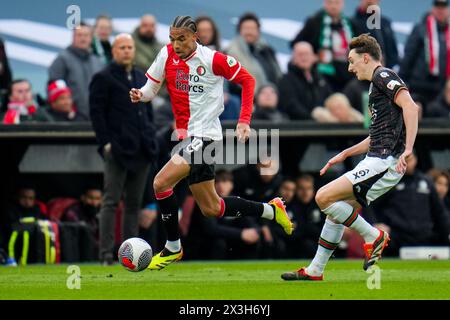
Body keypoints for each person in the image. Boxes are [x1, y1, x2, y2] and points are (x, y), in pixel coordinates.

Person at [130, 16, 293, 270]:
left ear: (195, 37)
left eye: (181, 39)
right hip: (186, 137)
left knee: (161, 183)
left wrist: (244, 121)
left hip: (205, 136)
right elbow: (152, 88)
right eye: (172, 38)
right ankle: (271, 211)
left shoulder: (213, 59)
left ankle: (173, 247)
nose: (175, 44)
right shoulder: (166, 54)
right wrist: (141, 94)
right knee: (212, 208)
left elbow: (248, 80)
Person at [282, 34, 419, 281]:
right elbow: (377, 136)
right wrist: (344, 154)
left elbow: (411, 107)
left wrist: (408, 149)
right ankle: (315, 270)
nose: (349, 67)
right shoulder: (375, 85)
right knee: (337, 211)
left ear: (366, 57)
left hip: (385, 162)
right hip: (378, 159)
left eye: (352, 60)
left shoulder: (383, 76)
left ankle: (373, 235)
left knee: (322, 197)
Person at [90, 34, 159, 265]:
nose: (127, 51)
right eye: (122, 47)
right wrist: (105, 144)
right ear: (114, 51)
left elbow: (147, 110)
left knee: (133, 203)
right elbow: (97, 114)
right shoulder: (103, 78)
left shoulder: (140, 76)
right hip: (117, 149)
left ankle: (131, 252)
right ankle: (106, 253)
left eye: (130, 47)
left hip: (142, 147)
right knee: (110, 201)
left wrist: (150, 136)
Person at [371, 153, 450, 255]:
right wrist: (374, 224)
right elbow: (371, 203)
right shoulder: (389, 181)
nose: (407, 163)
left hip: (423, 237)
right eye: (404, 160)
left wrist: (447, 232)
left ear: (415, 160)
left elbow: (440, 212)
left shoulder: (426, 182)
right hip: (396, 237)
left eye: (410, 160)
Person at [291, 0, 360, 91]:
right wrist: (312, 56)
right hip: (323, 76)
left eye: (336, 3)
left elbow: (359, 47)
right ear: (324, 3)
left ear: (343, 4)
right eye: (330, 3)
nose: (333, 6)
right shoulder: (314, 22)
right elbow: (296, 43)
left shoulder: (350, 24)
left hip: (347, 76)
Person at [399, 0, 450, 111]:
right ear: (432, 9)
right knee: (416, 110)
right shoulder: (420, 29)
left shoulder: (448, 32)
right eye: (437, 6)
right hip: (419, 87)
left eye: (444, 6)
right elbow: (408, 58)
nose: (440, 10)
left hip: (442, 89)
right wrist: (403, 83)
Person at [49, 22, 104, 120]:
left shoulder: (98, 62)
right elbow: (53, 89)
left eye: (86, 35)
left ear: (91, 38)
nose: (83, 39)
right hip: (71, 119)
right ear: (73, 37)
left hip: (97, 117)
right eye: (79, 35)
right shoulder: (62, 59)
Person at [226, 12, 282, 94]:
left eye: (253, 28)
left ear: (258, 31)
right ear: (239, 31)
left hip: (274, 100)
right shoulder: (231, 52)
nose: (249, 32)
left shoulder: (267, 51)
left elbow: (278, 75)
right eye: (246, 28)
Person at [278, 42, 333, 120]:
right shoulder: (286, 80)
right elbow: (291, 106)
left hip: (322, 125)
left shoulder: (321, 79)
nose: (304, 57)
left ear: (314, 57)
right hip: (299, 127)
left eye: (307, 54)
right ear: (293, 58)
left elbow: (330, 99)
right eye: (300, 54)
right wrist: (312, 119)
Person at [352, 0, 399, 69]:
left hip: (385, 74)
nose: (370, 1)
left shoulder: (385, 23)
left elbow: (393, 53)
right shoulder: (351, 23)